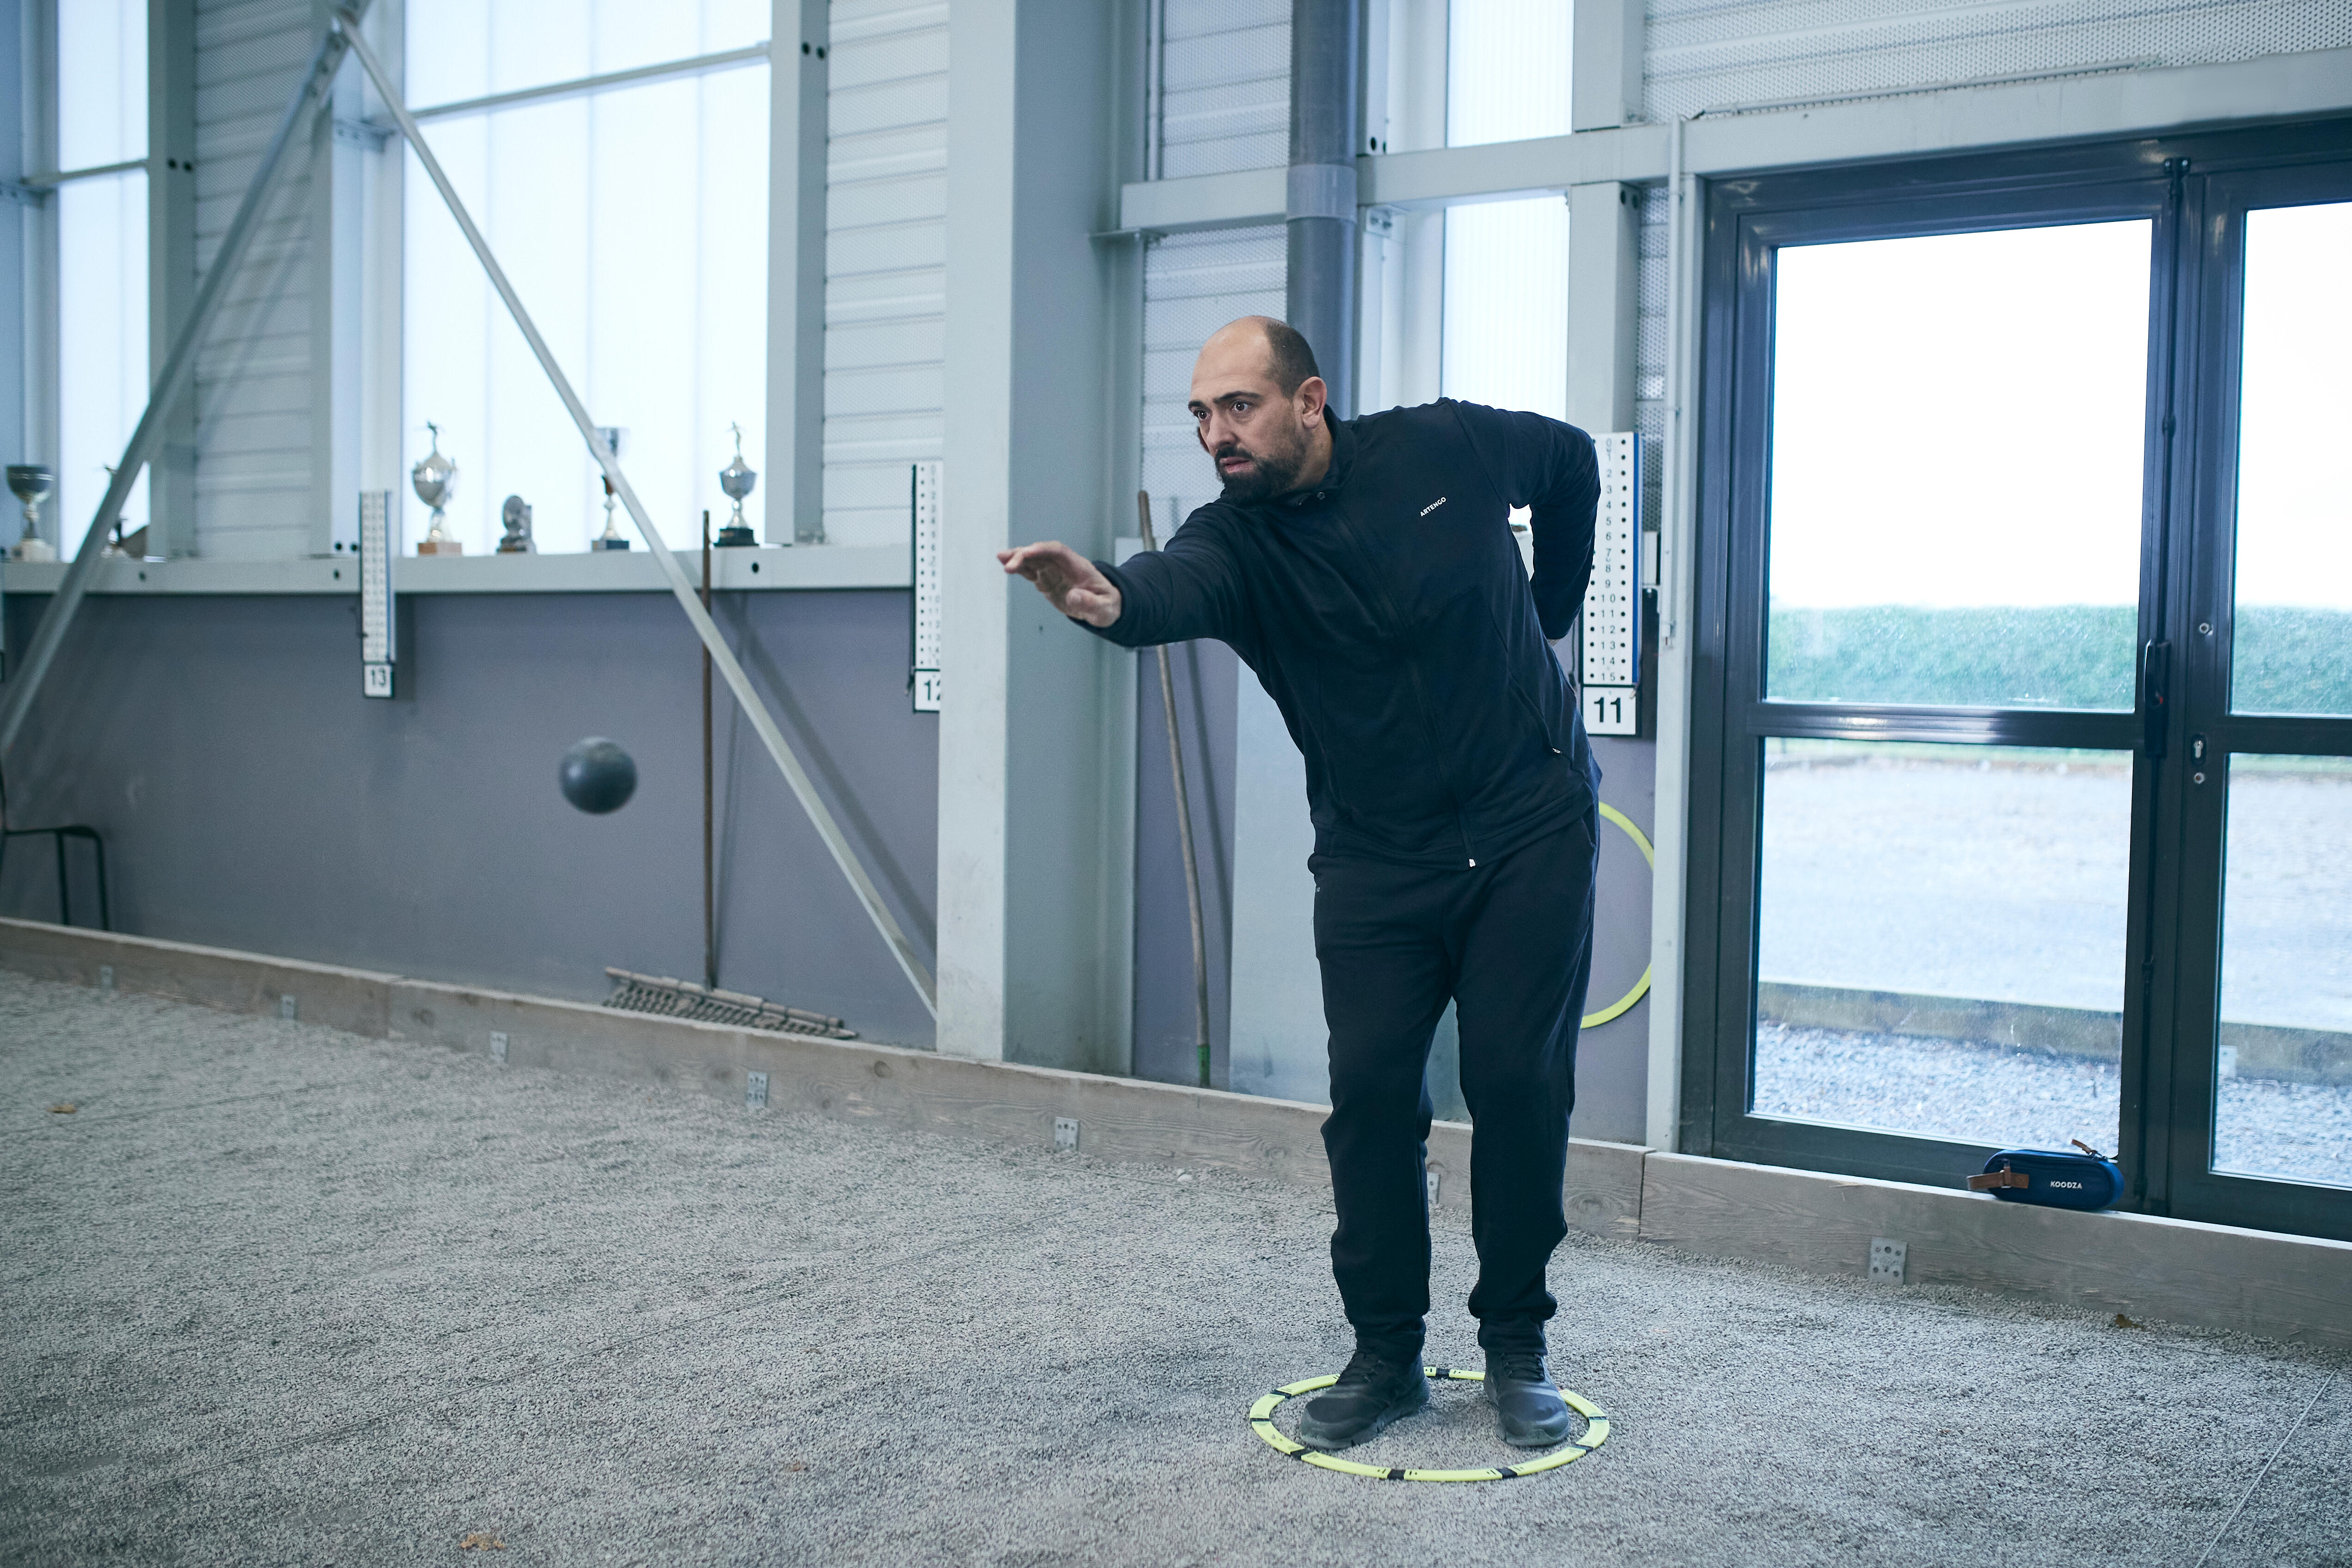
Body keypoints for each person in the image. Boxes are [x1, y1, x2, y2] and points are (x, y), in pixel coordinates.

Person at [1000, 316, 1601, 1452]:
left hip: (1531, 822)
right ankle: (1386, 1354)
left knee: (1519, 1082)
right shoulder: (1237, 545)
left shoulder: (1447, 448)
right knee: (1371, 1095)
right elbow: (1168, 591)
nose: (1214, 433)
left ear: (1309, 399)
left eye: (1238, 407)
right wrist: (1108, 599)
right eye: (1198, 415)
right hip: (1378, 856)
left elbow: (1571, 463)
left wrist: (1545, 617)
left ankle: (1516, 1345)